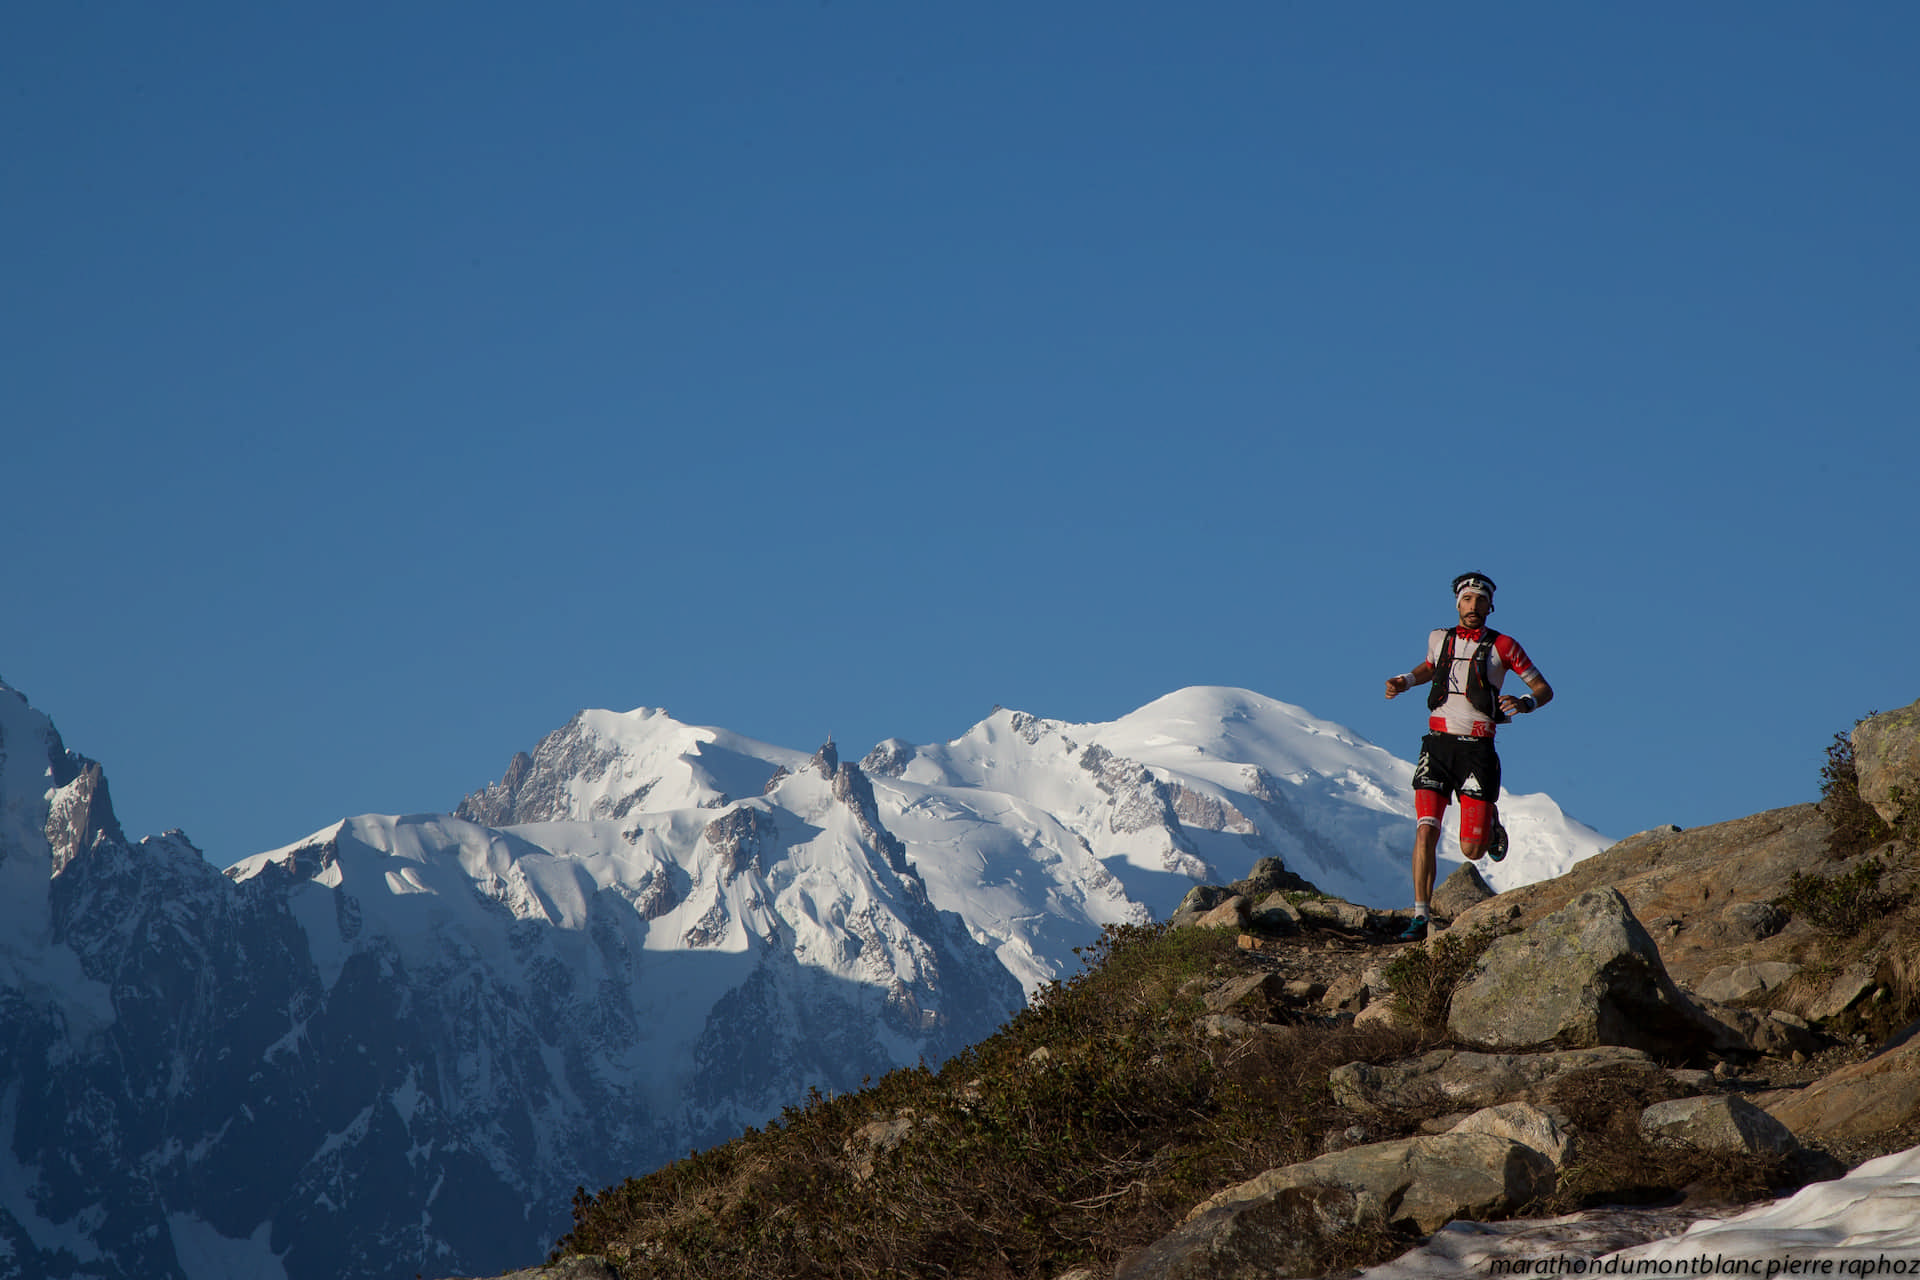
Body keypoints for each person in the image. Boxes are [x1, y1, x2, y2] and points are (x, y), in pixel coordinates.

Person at [1383, 572, 1553, 941]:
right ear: (1457, 603)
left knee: (1473, 850)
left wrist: (1526, 702)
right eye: (1467, 599)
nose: (1473, 606)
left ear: (1491, 606)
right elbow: (1431, 667)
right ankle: (1420, 916)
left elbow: (1543, 688)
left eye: (1480, 600)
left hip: (1477, 748)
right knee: (1426, 828)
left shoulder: (1505, 645)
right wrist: (1404, 681)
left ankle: (1490, 823)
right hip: (1437, 744)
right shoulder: (1439, 638)